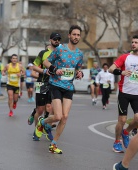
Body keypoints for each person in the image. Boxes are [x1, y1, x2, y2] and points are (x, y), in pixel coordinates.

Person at [34, 25, 84, 154]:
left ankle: (54, 144)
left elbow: (78, 68)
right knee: (57, 116)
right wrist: (55, 70)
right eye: (74, 34)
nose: (76, 37)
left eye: (78, 35)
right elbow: (46, 62)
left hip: (69, 87)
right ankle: (42, 122)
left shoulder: (79, 54)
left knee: (65, 117)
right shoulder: (60, 50)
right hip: (55, 84)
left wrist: (80, 74)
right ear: (69, 35)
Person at [109, 35, 138, 154]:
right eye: (132, 42)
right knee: (122, 120)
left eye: (136, 42)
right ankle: (117, 141)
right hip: (124, 93)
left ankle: (126, 132)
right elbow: (111, 69)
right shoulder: (125, 57)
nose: (133, 44)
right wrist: (121, 72)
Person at [29, 33, 61, 141]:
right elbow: (34, 66)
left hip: (54, 84)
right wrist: (44, 71)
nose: (57, 41)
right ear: (50, 40)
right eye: (55, 39)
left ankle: (45, 128)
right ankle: (37, 128)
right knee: (40, 109)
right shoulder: (43, 53)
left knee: (50, 108)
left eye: (59, 39)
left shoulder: (61, 53)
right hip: (41, 83)